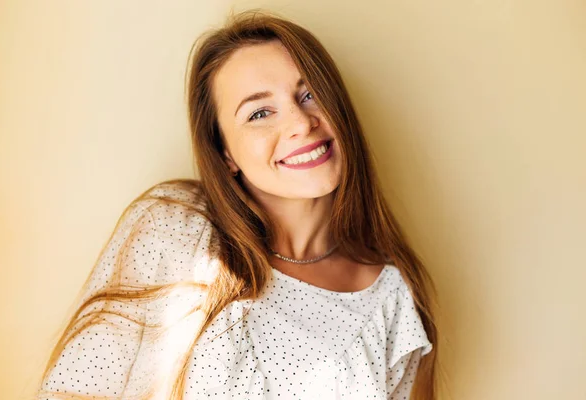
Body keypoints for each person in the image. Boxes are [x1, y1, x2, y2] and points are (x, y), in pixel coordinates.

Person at [37, 9, 439, 400]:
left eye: (310, 94)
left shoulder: (390, 299)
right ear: (225, 154)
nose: (301, 122)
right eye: (260, 112)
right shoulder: (176, 228)